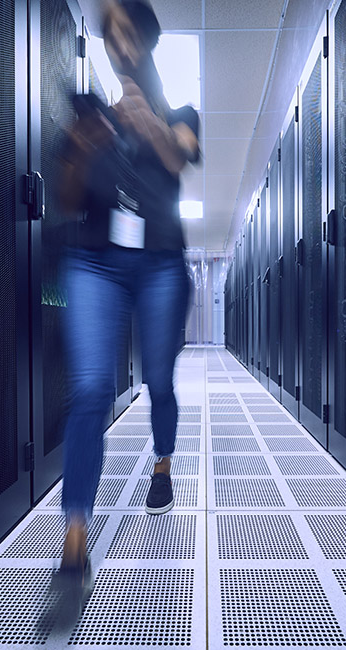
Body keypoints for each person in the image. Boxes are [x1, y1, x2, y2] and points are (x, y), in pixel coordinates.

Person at [53, 0, 199, 590]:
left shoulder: (181, 111)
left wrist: (152, 124)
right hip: (94, 263)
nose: (120, 42)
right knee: (90, 389)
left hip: (160, 262)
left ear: (146, 39)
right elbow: (63, 200)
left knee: (156, 379)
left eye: (128, 30)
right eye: (110, 34)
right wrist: (83, 147)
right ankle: (75, 535)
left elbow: (181, 153)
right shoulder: (93, 118)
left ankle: (161, 459)